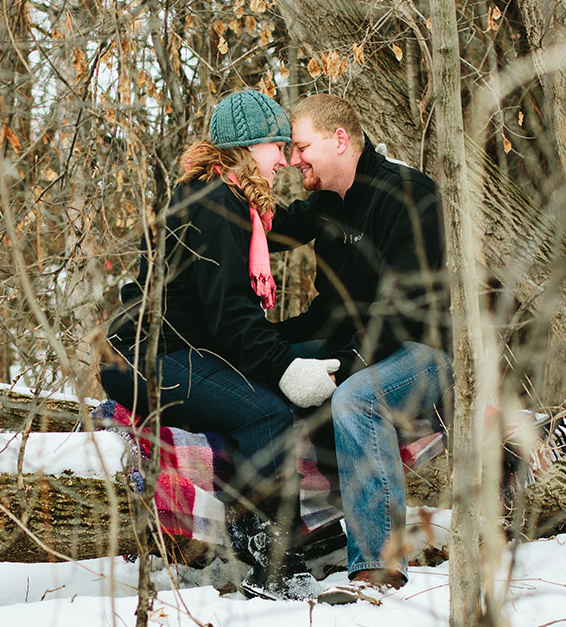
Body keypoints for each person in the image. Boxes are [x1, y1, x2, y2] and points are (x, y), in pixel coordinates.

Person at [100, 90, 339, 591]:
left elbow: (283, 229)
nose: (285, 161)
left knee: (292, 372)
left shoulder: (223, 199)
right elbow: (231, 320)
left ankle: (313, 525)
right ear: (251, 147)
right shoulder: (217, 207)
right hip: (151, 360)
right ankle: (271, 562)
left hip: (181, 349)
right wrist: (285, 369)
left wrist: (335, 197)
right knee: (268, 411)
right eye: (278, 146)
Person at [274, 93, 451, 591]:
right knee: (272, 371)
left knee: (354, 397)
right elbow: (279, 234)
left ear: (340, 140)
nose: (293, 160)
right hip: (357, 348)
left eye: (301, 146)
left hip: (421, 353)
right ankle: (305, 537)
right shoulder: (327, 206)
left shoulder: (410, 194)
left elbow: (404, 308)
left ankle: (380, 567)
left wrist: (346, 365)